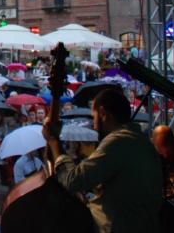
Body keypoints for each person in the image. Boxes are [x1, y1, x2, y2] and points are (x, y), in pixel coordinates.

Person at [42, 88, 163, 233]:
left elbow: (72, 181)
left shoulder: (118, 141)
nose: (94, 125)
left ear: (103, 113)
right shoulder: (142, 141)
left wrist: (53, 141)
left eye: (94, 118)